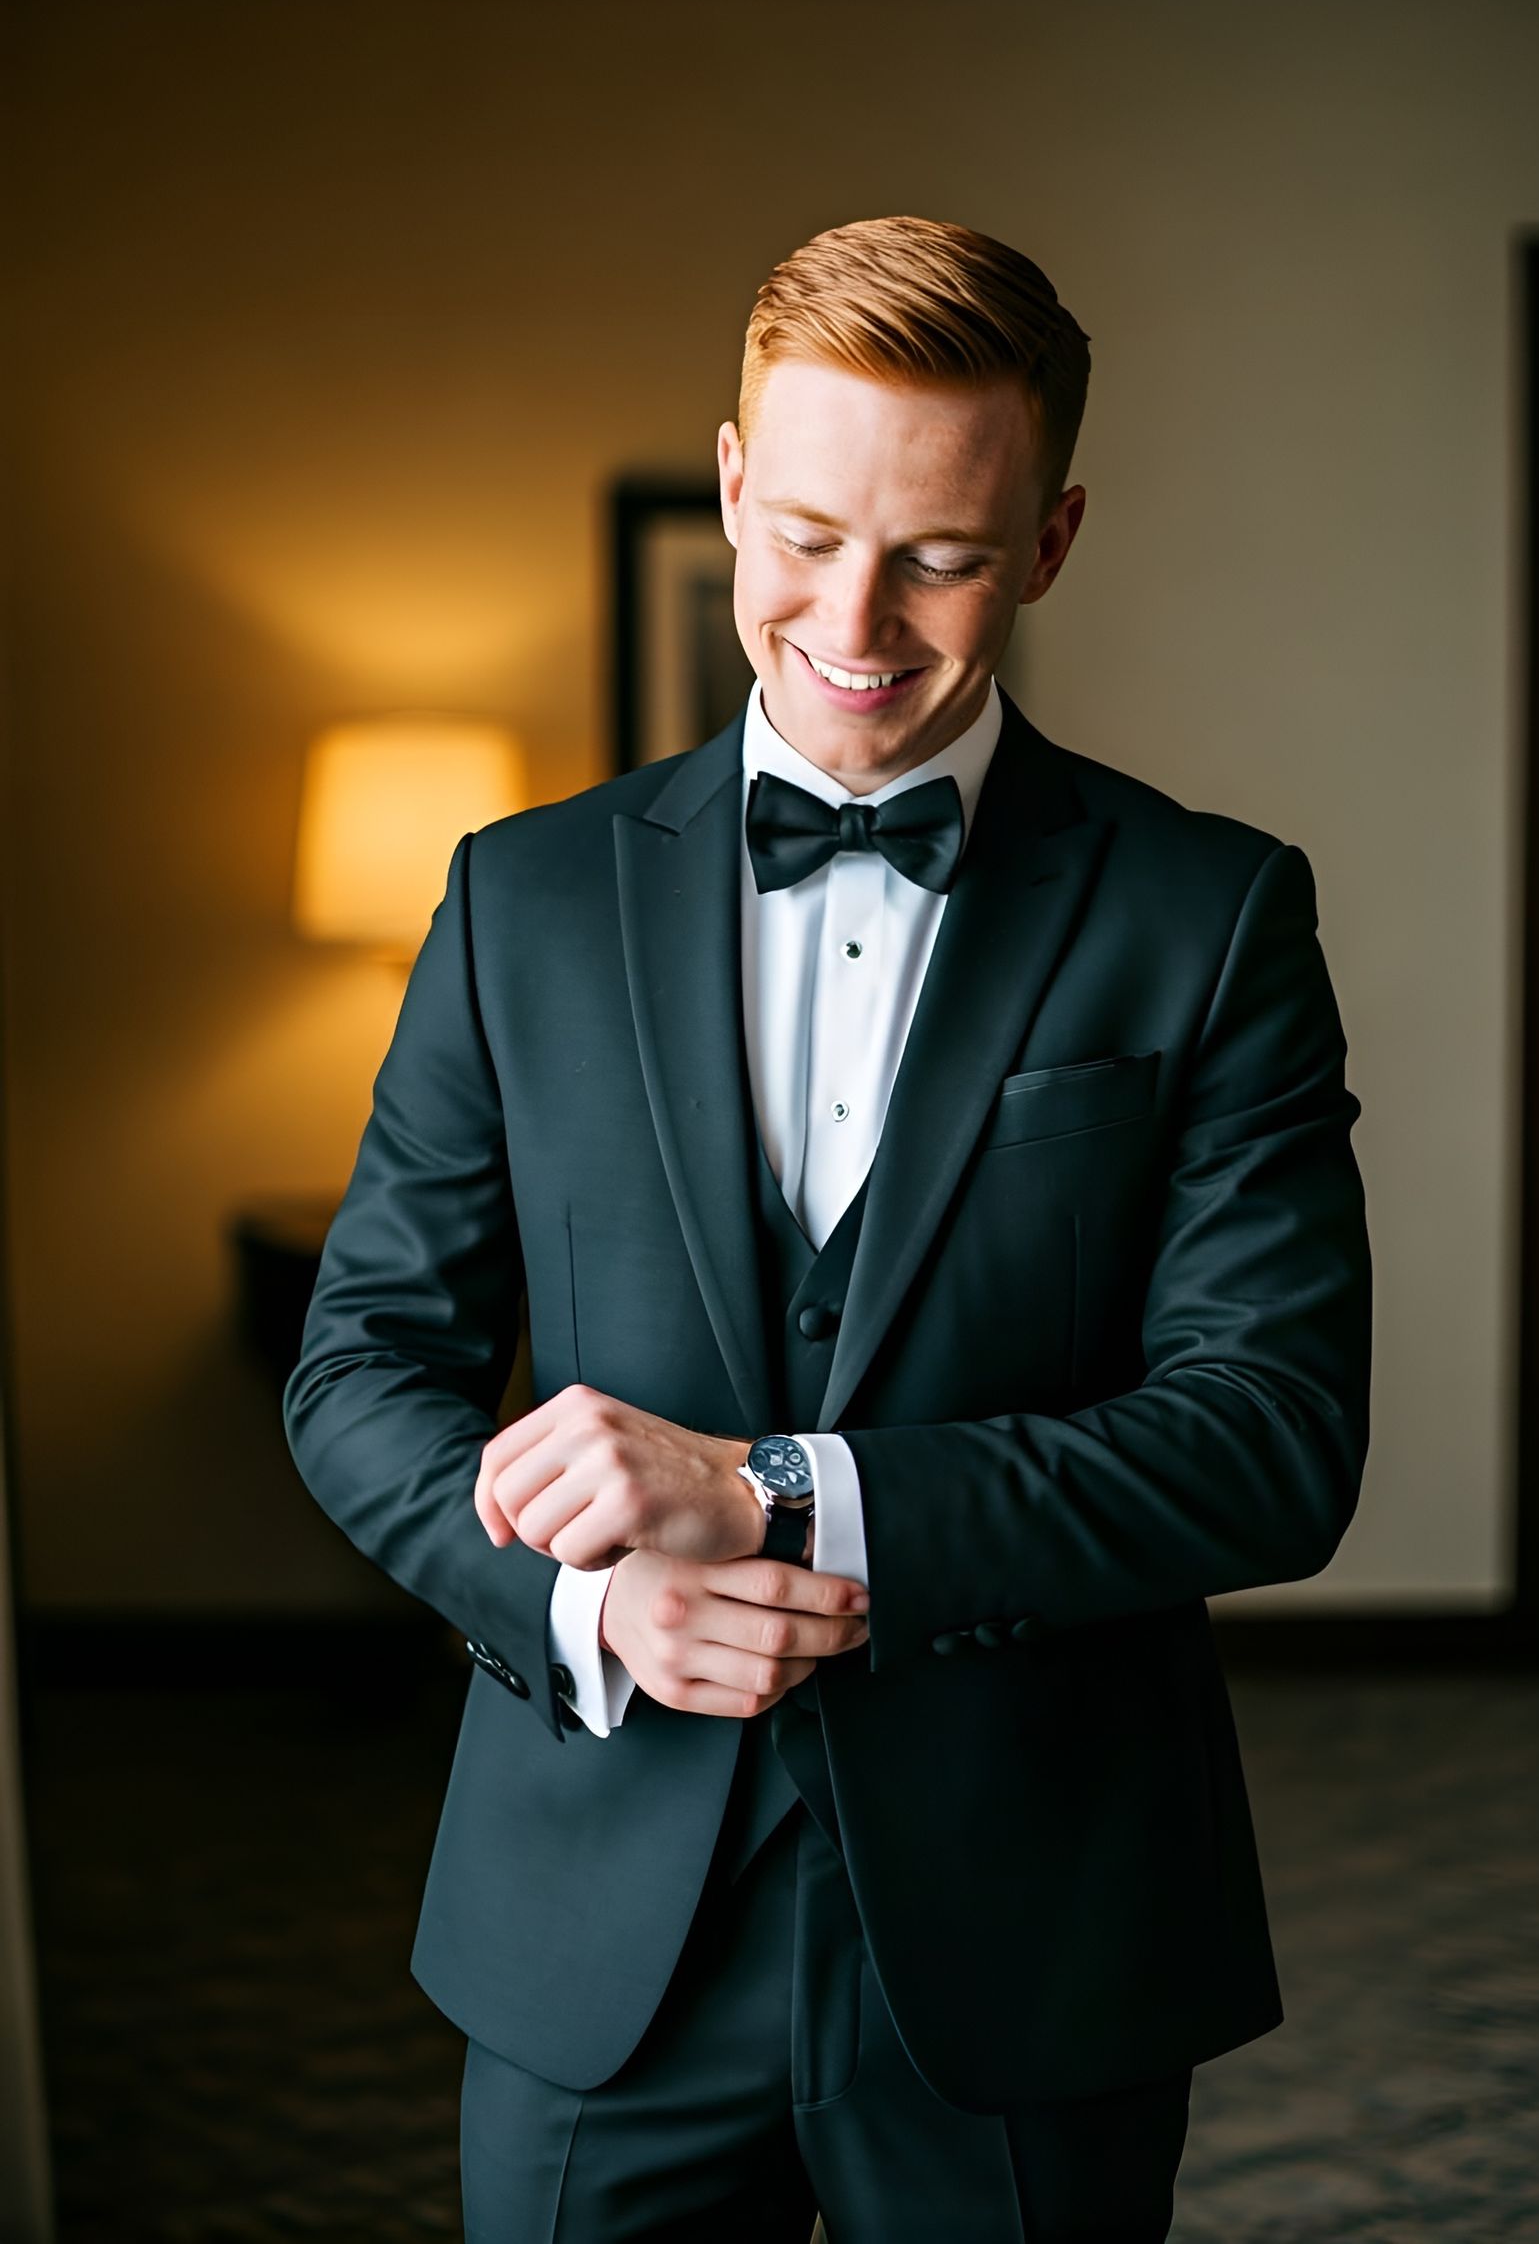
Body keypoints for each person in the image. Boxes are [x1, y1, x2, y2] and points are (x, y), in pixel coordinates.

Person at [284, 213, 1371, 2243]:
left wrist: (778, 1495)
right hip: (587, 1924)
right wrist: (589, 1609)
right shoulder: (518, 899)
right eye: (798, 534)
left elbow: (1271, 1439)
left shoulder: (1207, 915)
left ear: (1044, 538)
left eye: (937, 554)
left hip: (1028, 1933)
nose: (850, 616)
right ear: (725, 483)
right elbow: (359, 1373)